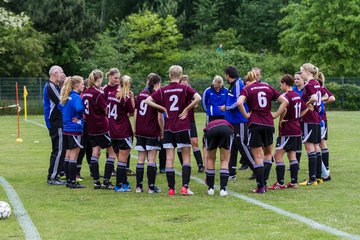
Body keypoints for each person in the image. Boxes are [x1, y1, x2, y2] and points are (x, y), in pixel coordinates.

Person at [145, 65, 201, 196]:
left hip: (169, 127)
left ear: (169, 76)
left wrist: (164, 109)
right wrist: (187, 109)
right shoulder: (185, 88)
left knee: (169, 158)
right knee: (186, 157)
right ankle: (184, 188)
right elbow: (198, 97)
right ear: (181, 76)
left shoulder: (163, 89)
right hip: (182, 126)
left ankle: (171, 189)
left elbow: (148, 100)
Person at [237, 71, 288, 193]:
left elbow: (239, 103)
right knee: (268, 154)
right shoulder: (268, 87)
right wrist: (275, 115)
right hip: (269, 124)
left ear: (247, 81)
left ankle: (260, 187)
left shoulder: (247, 89)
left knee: (258, 156)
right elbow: (285, 101)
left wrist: (246, 115)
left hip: (255, 124)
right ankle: (263, 184)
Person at [268, 74, 308, 190]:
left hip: (287, 130)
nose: (280, 86)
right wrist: (296, 118)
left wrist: (279, 119)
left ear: (285, 84)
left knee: (277, 155)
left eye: (281, 83)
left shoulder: (285, 96)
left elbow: (284, 109)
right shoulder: (296, 95)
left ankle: (280, 183)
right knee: (292, 155)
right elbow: (305, 108)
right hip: (296, 129)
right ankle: (293, 182)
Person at [82, 69, 117, 190]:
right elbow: (106, 109)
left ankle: (96, 181)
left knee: (95, 152)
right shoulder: (98, 93)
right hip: (101, 126)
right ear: (99, 79)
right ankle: (106, 181)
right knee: (112, 153)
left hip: (91, 127)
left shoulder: (86, 93)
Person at [220, 66, 255, 180]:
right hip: (231, 121)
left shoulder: (239, 84)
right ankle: (231, 173)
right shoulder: (233, 85)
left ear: (227, 75)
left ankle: (257, 168)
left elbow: (239, 101)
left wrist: (227, 107)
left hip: (239, 120)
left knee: (242, 145)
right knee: (232, 146)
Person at [298, 63, 328, 186]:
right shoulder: (316, 83)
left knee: (309, 147)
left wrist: (307, 104)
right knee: (316, 147)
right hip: (316, 118)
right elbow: (323, 96)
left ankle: (312, 179)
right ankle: (319, 177)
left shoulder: (310, 84)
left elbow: (315, 98)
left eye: (301, 72)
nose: (301, 74)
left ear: (307, 71)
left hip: (309, 119)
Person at [134, 73, 163, 193]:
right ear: (158, 83)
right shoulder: (156, 95)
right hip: (151, 130)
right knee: (151, 159)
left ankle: (138, 187)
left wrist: (135, 128)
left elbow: (136, 113)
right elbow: (160, 117)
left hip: (140, 129)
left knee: (140, 159)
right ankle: (151, 187)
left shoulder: (140, 94)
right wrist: (162, 130)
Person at [107, 75, 135, 192]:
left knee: (120, 159)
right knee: (123, 160)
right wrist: (132, 98)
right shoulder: (125, 97)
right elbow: (132, 111)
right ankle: (119, 185)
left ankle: (125, 183)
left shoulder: (110, 94)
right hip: (123, 131)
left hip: (112, 130)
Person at [59, 76, 85, 188]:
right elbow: (80, 108)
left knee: (68, 154)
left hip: (66, 128)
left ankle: (68, 180)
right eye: (82, 84)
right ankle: (72, 181)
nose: (83, 86)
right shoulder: (76, 97)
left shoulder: (67, 96)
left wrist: (67, 116)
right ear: (76, 85)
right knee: (74, 155)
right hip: (74, 129)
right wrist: (78, 117)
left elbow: (60, 107)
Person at [43, 65, 67, 185]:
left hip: (57, 122)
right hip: (55, 122)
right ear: (55, 73)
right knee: (58, 150)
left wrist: (63, 86)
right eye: (61, 73)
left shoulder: (55, 86)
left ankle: (55, 175)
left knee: (60, 149)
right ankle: (52, 177)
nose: (63, 75)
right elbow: (61, 102)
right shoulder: (50, 87)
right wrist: (66, 85)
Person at [178, 75, 205, 173]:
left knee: (195, 142)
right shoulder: (177, 92)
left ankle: (200, 165)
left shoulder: (190, 91)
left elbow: (196, 104)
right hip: (180, 120)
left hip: (190, 120)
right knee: (181, 145)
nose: (185, 86)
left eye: (186, 84)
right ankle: (183, 165)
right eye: (183, 83)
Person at [204, 119, 233, 197]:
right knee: (224, 160)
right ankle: (223, 189)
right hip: (225, 130)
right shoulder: (227, 124)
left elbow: (206, 156)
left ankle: (210, 189)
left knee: (211, 159)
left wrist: (206, 175)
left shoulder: (207, 127)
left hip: (210, 131)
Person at [318, 72, 335, 181]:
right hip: (318, 119)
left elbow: (332, 98)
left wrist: (321, 102)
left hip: (321, 119)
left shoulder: (319, 87)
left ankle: (325, 167)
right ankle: (323, 167)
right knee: (319, 143)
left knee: (321, 142)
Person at [292, 72, 305, 165]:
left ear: (303, 79)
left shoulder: (307, 89)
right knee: (297, 140)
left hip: (306, 119)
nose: (296, 80)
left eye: (298, 79)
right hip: (295, 119)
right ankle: (296, 162)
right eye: (295, 79)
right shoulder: (293, 90)